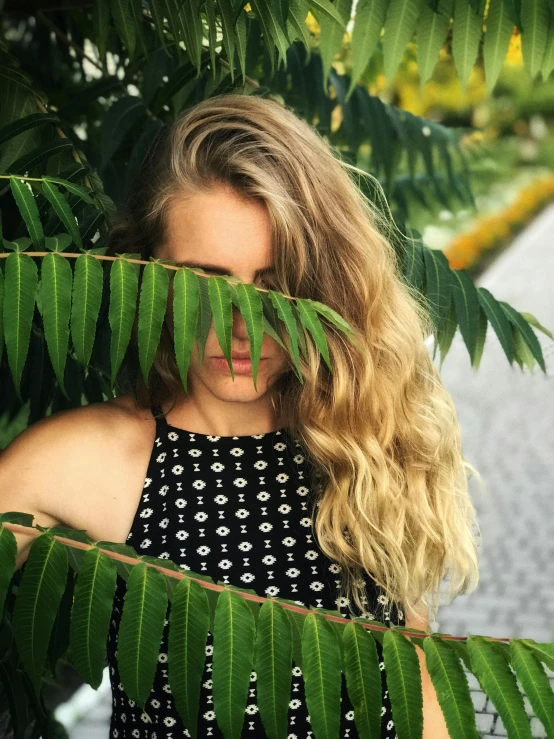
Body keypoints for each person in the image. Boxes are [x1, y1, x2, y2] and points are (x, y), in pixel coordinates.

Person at [0, 93, 481, 738]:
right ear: (143, 272)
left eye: (278, 286)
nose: (244, 327)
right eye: (207, 281)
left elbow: (412, 673)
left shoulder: (357, 434)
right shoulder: (84, 460)